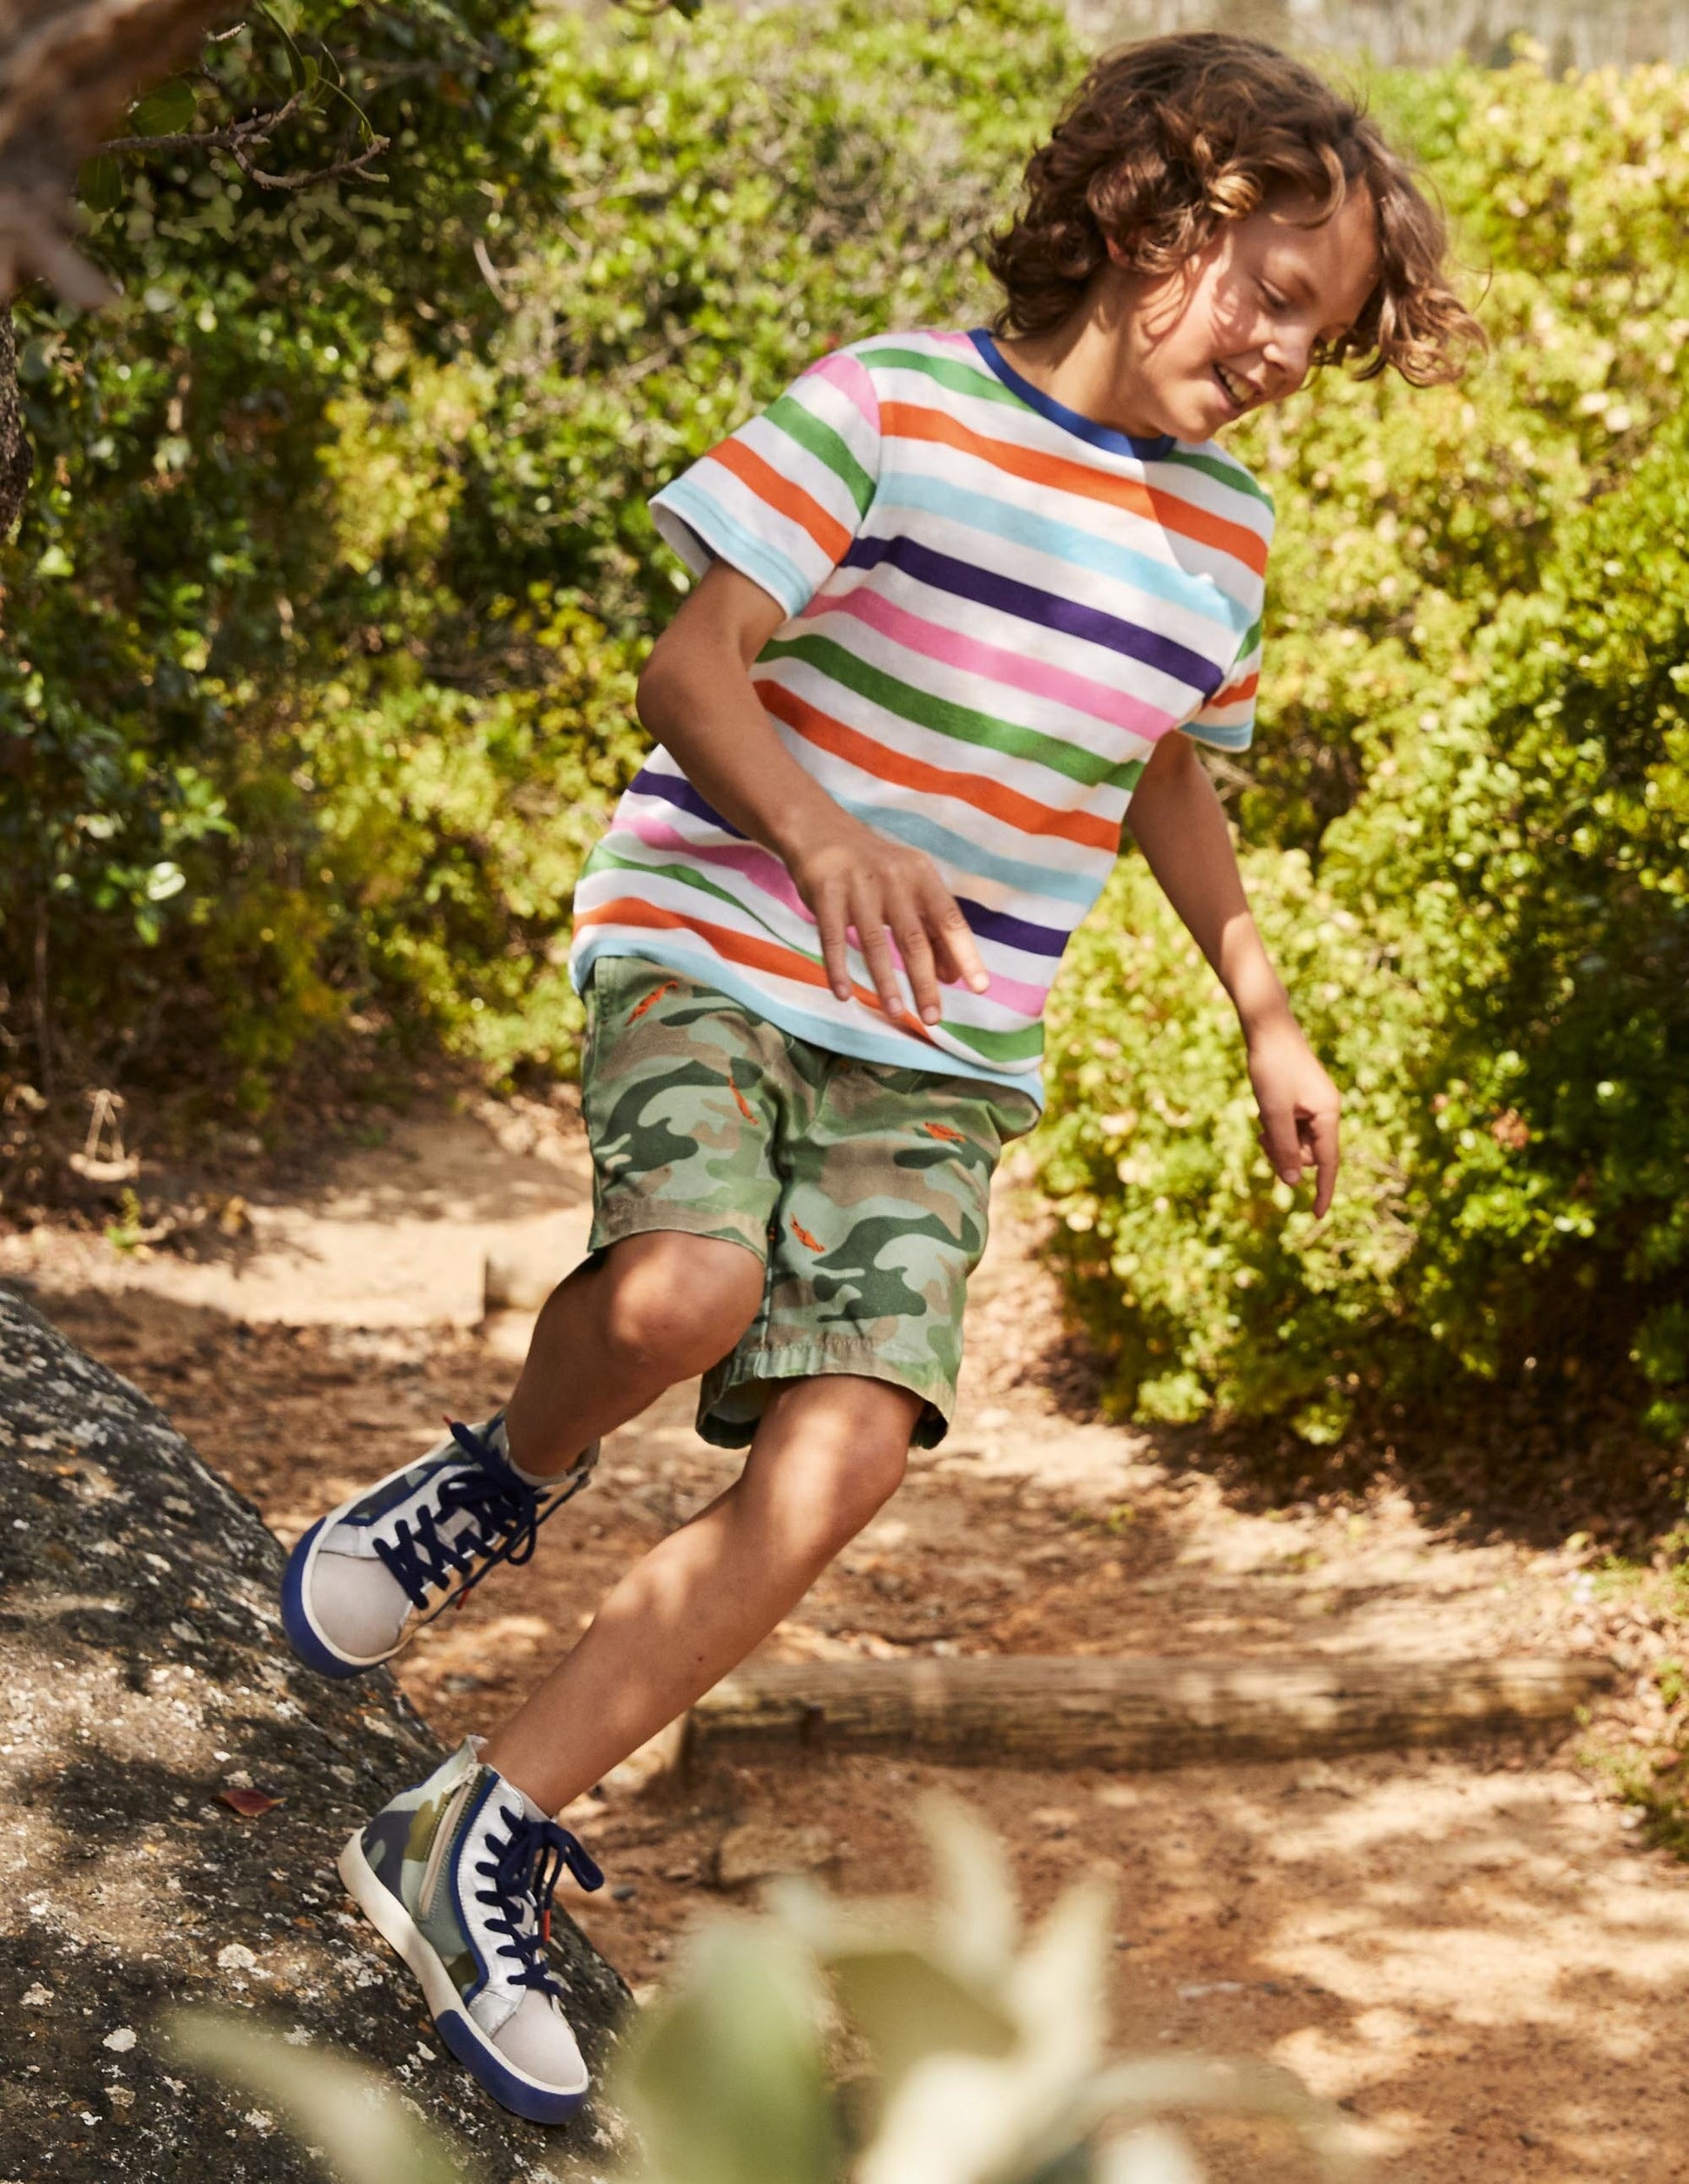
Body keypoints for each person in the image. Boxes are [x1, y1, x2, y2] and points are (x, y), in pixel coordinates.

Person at [278, 30, 1481, 2123]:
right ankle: (502, 1472)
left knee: (835, 1463)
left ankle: (467, 1819)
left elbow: (1165, 768)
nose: (1291, 352)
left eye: (1329, 329)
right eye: (1272, 293)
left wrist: (1264, 1012)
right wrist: (827, 834)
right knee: (680, 1292)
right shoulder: (893, 400)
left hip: (940, 1046)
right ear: (1145, 213)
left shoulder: (1223, 536)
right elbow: (688, 662)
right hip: (722, 939)